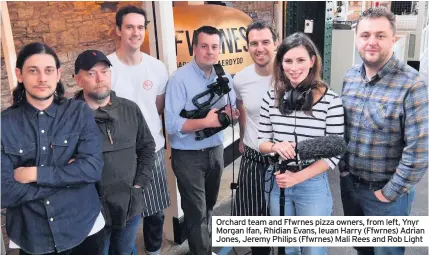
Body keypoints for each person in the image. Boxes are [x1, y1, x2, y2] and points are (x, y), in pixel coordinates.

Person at [1, 42, 105, 255]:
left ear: (58, 74)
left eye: (48, 70)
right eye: (33, 71)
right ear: (19, 74)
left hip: (83, 228)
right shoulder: (4, 125)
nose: (42, 78)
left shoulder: (78, 112)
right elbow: (4, 191)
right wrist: (71, 179)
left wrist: (34, 173)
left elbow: (93, 168)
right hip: (33, 235)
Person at [340, 7, 428, 255]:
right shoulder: (350, 77)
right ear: (357, 38)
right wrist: (344, 171)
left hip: (387, 195)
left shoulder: (412, 84)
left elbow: (419, 151)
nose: (371, 42)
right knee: (362, 249)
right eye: (365, 35)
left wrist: (388, 193)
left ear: (393, 38)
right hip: (351, 186)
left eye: (380, 35)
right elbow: (343, 130)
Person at [258, 32, 344, 255]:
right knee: (288, 249)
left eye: (301, 60)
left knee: (313, 249)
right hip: (277, 181)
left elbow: (334, 153)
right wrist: (275, 147)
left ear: (312, 61)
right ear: (280, 63)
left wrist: (297, 177)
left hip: (312, 183)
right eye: (288, 61)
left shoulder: (331, 101)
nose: (294, 67)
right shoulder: (271, 97)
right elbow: (262, 141)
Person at [165, 25, 239, 255]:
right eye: (204, 46)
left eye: (214, 47)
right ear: (194, 49)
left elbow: (231, 110)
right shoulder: (179, 80)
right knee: (196, 211)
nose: (210, 51)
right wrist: (205, 122)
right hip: (188, 155)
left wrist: (231, 116)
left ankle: (203, 247)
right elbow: (172, 125)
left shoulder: (223, 75)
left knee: (208, 206)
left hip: (215, 149)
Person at [73, 50, 156, 255]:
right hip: (90, 212)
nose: (100, 78)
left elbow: (147, 147)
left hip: (128, 204)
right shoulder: (69, 117)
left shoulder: (129, 109)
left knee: (124, 250)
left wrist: (138, 186)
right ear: (78, 79)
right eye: (91, 73)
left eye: (105, 71)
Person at [106, 5, 170, 255]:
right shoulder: (106, 69)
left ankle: (153, 251)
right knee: (121, 216)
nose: (135, 32)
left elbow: (158, 107)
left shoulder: (157, 67)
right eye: (129, 27)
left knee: (154, 212)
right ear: (118, 30)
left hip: (152, 150)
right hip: (118, 156)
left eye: (140, 27)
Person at [232, 20, 278, 255]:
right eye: (254, 43)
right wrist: (241, 138)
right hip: (253, 157)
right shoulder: (240, 80)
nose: (259, 48)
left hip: (283, 161)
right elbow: (243, 111)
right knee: (255, 223)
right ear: (248, 47)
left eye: (265, 42)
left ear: (276, 43)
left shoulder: (290, 74)